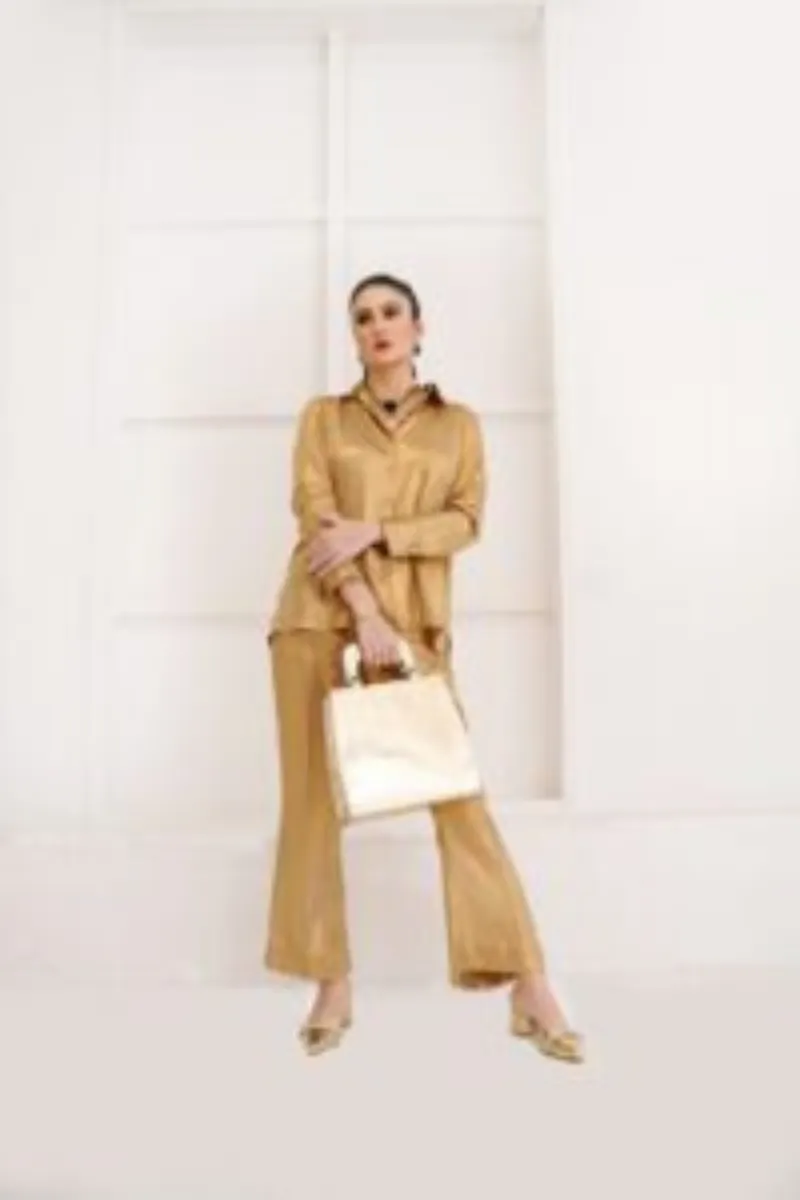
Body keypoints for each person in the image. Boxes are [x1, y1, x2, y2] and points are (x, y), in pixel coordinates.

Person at [263, 272, 584, 1063]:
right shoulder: (323, 418)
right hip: (317, 622)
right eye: (362, 317)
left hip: (417, 632)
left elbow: (464, 521)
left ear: (418, 326)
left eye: (390, 312)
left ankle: (528, 983)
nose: (377, 325)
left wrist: (379, 530)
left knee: (461, 803)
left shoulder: (459, 426)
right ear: (354, 335)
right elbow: (315, 518)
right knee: (311, 807)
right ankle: (331, 984)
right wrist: (363, 609)